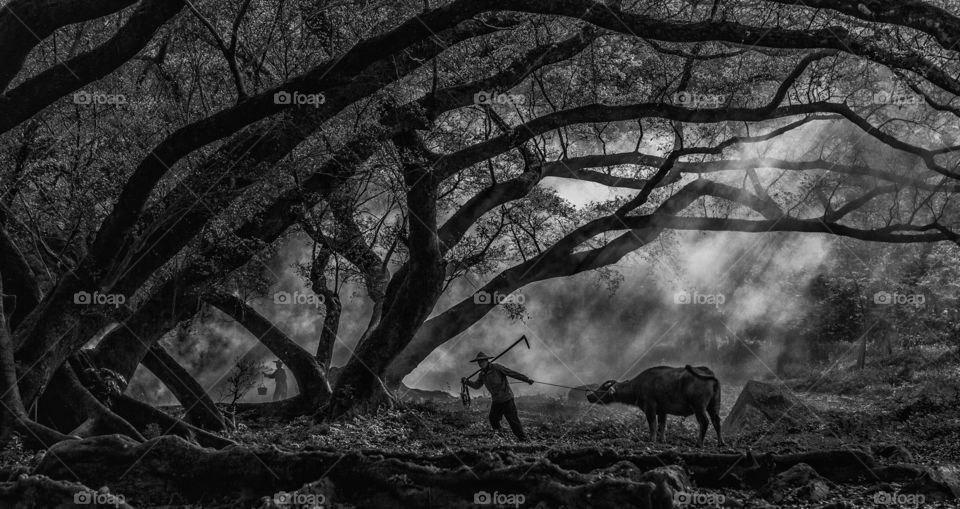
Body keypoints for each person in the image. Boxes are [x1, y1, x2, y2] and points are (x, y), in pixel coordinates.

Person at [461, 351, 533, 441]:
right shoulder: (482, 374)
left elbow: (512, 373)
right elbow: (477, 385)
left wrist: (526, 379)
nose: (480, 363)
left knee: (513, 422)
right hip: (496, 401)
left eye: (482, 361)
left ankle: (524, 440)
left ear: (487, 361)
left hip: (507, 399)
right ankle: (500, 436)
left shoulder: (496, 367)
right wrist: (467, 382)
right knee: (493, 418)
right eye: (479, 362)